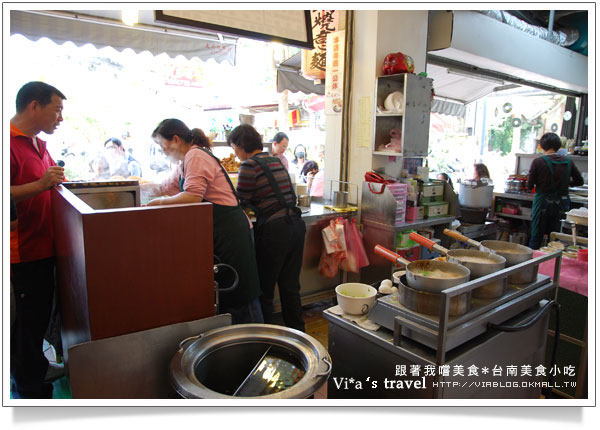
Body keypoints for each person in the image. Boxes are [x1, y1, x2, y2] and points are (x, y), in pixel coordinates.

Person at [142, 119, 263, 324]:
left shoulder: (196, 156)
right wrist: (136, 190)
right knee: (228, 292)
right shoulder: (185, 162)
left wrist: (157, 203)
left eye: (162, 145)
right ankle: (239, 346)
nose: (162, 151)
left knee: (242, 295)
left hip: (232, 234)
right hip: (220, 234)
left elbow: (192, 196)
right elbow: (166, 187)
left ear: (176, 139)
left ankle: (258, 345)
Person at [10, 81, 66, 398]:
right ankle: (30, 391)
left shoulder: (38, 144)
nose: (60, 117)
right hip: (22, 253)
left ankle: (37, 371)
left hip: (45, 248)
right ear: (34, 106)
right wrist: (42, 184)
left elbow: (50, 183)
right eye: (56, 109)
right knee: (25, 328)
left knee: (39, 321)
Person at [228, 124, 306, 332]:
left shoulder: (248, 166)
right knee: (290, 288)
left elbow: (241, 201)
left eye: (234, 148)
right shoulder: (276, 161)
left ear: (241, 145)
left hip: (275, 230)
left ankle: (268, 339)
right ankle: (300, 336)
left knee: (265, 290)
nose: (235, 154)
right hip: (296, 225)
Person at [527, 132, 584, 250]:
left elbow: (529, 185)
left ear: (542, 146)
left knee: (536, 235)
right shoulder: (568, 161)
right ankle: (553, 264)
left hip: (542, 202)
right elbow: (580, 181)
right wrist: (566, 184)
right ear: (558, 146)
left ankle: (533, 263)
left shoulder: (538, 162)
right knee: (557, 238)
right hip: (562, 204)